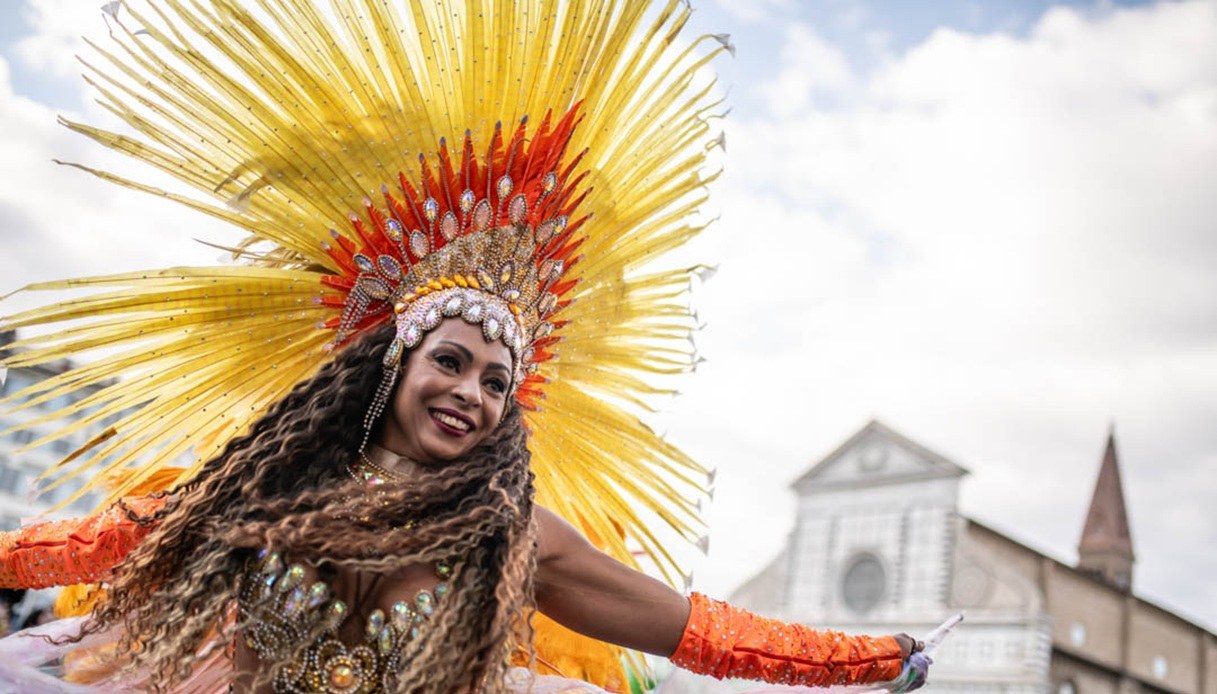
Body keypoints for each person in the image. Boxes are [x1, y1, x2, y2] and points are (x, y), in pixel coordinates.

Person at [0, 0, 932, 691]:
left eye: (497, 381)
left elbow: (697, 632)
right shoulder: (266, 483)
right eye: (450, 361)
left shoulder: (517, 535)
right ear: (391, 363)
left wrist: (863, 660)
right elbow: (79, 548)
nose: (474, 393)